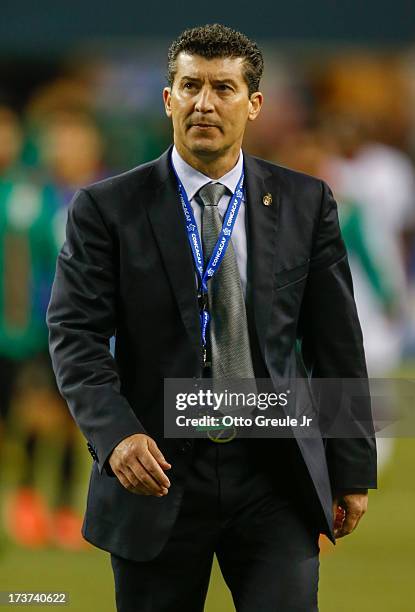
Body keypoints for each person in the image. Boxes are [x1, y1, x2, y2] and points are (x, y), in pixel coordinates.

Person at [47, 24, 377, 612]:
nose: (205, 102)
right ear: (167, 98)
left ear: (253, 105)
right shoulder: (106, 208)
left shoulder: (307, 203)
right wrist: (115, 435)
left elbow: (336, 343)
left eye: (223, 88)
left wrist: (351, 467)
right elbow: (75, 334)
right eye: (190, 85)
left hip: (274, 472)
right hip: (156, 470)